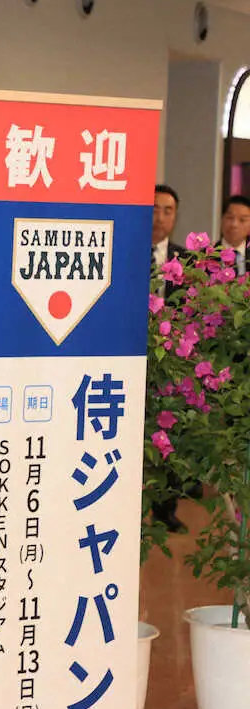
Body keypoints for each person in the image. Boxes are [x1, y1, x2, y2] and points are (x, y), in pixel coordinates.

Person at [149, 184, 189, 532]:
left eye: (167, 210)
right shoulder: (124, 253)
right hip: (129, 356)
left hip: (171, 362)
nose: (159, 217)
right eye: (153, 208)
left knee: (168, 434)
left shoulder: (185, 261)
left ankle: (165, 510)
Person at [217, 194, 250, 274]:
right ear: (221, 219)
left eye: (242, 220)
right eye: (230, 217)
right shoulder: (205, 256)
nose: (234, 224)